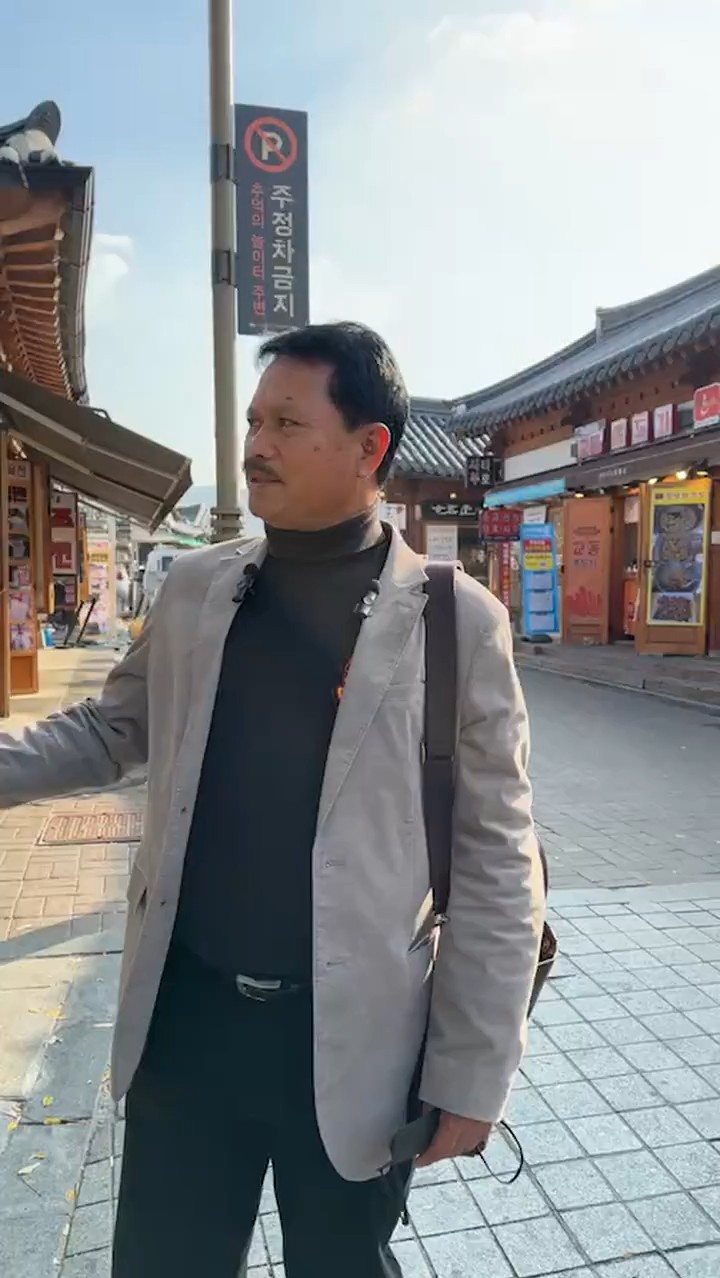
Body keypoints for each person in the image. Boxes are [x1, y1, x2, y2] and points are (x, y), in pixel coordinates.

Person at [0, 322, 544, 1278]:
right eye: (254, 421)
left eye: (287, 423)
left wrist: (473, 1071)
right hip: (187, 1024)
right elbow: (108, 730)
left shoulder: (457, 621)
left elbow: (500, 860)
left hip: (355, 1042)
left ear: (370, 447)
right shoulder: (197, 589)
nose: (256, 445)